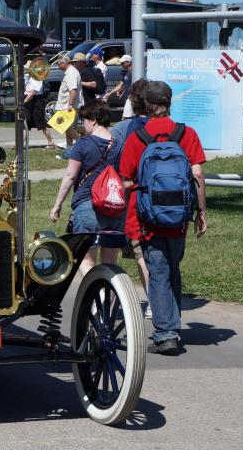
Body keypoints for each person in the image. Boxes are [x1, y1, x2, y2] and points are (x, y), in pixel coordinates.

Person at [118, 81, 208, 355]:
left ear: (146, 105)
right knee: (172, 267)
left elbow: (126, 182)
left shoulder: (138, 137)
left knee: (157, 271)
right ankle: (172, 325)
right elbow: (198, 175)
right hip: (179, 217)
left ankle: (166, 333)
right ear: (169, 103)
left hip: (147, 217)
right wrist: (201, 212)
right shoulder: (186, 133)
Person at [49, 100, 124, 276]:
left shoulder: (83, 144)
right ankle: (109, 300)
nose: (83, 125)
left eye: (84, 120)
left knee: (85, 260)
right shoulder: (120, 144)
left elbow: (71, 176)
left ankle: (95, 301)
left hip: (88, 205)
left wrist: (57, 204)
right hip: (114, 206)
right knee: (110, 264)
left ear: (94, 120)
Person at [110, 78, 151, 318]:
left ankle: (109, 298)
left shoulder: (122, 129)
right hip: (164, 199)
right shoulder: (172, 127)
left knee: (133, 252)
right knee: (151, 254)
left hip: (131, 199)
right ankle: (157, 302)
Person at [54, 54, 81, 157]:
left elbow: (73, 90)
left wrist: (70, 104)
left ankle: (81, 143)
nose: (58, 65)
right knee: (67, 129)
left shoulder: (71, 73)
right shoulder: (69, 72)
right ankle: (69, 152)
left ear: (64, 63)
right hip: (66, 105)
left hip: (68, 106)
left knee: (64, 127)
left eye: (58, 63)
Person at [23, 61, 55, 149]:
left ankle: (50, 142)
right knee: (25, 121)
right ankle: (20, 144)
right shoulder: (28, 77)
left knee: (41, 122)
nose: (26, 71)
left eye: (27, 69)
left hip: (37, 101)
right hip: (29, 100)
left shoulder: (37, 78)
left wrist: (24, 101)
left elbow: (33, 92)